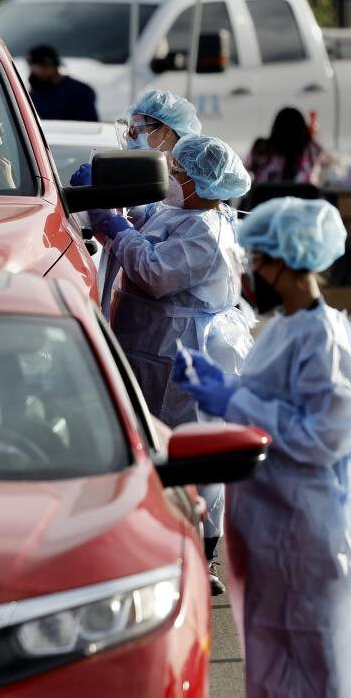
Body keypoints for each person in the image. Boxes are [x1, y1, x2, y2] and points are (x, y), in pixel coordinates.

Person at [173, 197, 351, 698]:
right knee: (277, 669)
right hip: (280, 529)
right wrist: (226, 386)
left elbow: (326, 434)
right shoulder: (288, 328)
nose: (250, 271)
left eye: (257, 260)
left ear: (282, 261)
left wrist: (235, 399)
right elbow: (273, 401)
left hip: (314, 538)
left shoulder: (325, 339)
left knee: (322, 671)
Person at [95, 134, 254, 595]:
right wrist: (125, 211)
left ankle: (201, 554)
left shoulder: (207, 229)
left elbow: (155, 271)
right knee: (154, 443)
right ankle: (159, 542)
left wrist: (115, 229)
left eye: (179, 173)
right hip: (154, 345)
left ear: (203, 182)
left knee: (192, 450)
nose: (172, 179)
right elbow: (156, 222)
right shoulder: (187, 210)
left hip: (182, 350)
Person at [71, 89, 203, 316]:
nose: (129, 137)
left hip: (165, 329)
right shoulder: (145, 178)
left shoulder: (186, 190)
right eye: (128, 130)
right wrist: (93, 201)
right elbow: (118, 237)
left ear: (166, 131)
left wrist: (108, 213)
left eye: (136, 130)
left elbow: (151, 255)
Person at [245, 107, 328, 186]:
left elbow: (248, 169)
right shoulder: (311, 150)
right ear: (303, 130)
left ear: (275, 128)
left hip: (265, 198)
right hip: (304, 198)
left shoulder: (261, 148)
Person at [26, 45, 98, 122]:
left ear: (50, 66)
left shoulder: (80, 91)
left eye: (37, 68)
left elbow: (89, 126)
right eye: (32, 68)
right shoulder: (33, 95)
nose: (34, 72)